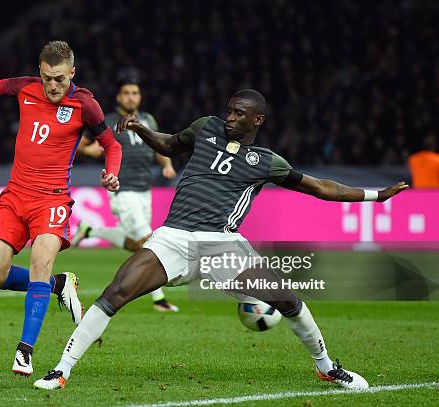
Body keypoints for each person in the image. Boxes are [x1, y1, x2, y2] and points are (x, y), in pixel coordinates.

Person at [33, 89, 408, 390]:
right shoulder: (205, 128)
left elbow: (322, 187)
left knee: (290, 301)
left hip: (221, 246)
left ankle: (328, 369)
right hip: (174, 237)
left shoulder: (266, 161)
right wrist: (142, 131)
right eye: (229, 110)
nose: (229, 117)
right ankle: (61, 370)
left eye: (238, 114)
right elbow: (170, 145)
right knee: (115, 293)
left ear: (256, 120)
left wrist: (375, 195)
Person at [0, 40, 122, 376]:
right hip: (15, 195)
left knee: (39, 262)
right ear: (40, 73)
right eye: (47, 77)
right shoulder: (26, 88)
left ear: (72, 73)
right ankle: (59, 285)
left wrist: (112, 174)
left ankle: (25, 351)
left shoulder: (85, 104)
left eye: (59, 79)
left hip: (52, 198)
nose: (52, 86)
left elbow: (111, 144)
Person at [73, 79, 179, 312]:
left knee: (138, 244)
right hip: (122, 189)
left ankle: (90, 230)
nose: (131, 97)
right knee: (150, 242)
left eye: (135, 93)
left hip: (144, 190)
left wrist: (167, 164)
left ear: (139, 97)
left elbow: (159, 145)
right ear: (119, 98)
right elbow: (88, 145)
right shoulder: (109, 121)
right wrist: (87, 148)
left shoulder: (148, 119)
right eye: (126, 93)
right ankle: (158, 299)